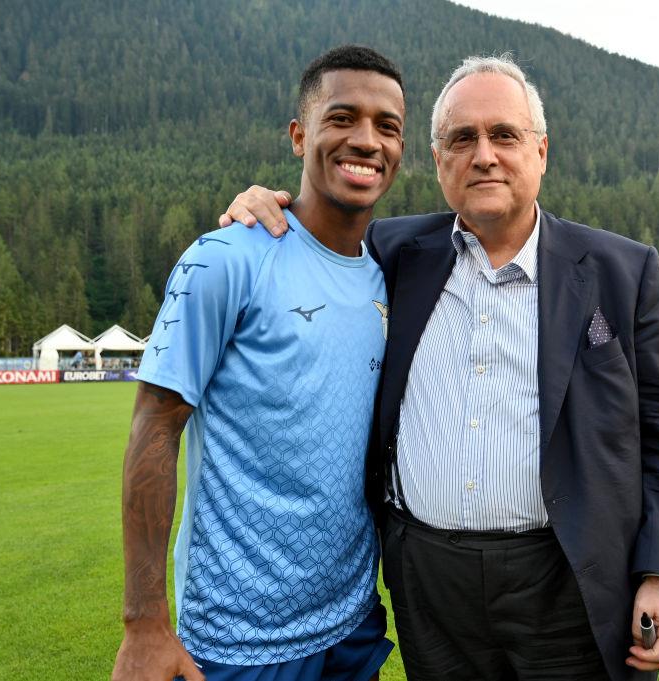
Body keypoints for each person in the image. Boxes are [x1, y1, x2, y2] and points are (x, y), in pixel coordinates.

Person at [221, 54, 659, 681]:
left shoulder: (623, 271)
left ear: (541, 151)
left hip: (570, 582)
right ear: (437, 157)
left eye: (504, 135)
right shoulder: (389, 252)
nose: (484, 156)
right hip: (430, 587)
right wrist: (262, 206)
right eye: (462, 138)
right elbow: (316, 234)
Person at [111, 45, 405, 681]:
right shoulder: (225, 258)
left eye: (386, 126)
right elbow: (154, 429)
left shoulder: (390, 272)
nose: (366, 140)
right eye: (342, 118)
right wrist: (144, 623)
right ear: (299, 136)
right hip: (234, 643)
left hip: (353, 625)